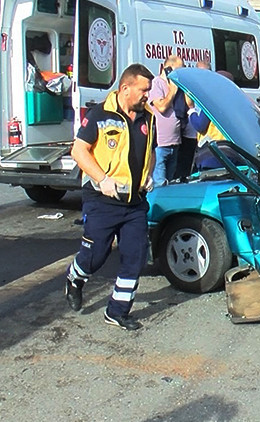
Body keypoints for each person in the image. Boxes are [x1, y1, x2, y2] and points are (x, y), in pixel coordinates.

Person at [64, 64, 157, 331]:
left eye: (149, 90)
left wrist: (148, 174)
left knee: (135, 256)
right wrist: (102, 178)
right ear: (125, 88)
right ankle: (75, 278)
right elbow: (79, 151)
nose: (147, 95)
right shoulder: (100, 114)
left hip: (134, 202)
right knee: (96, 254)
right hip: (102, 199)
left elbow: (150, 151)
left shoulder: (148, 117)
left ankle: (117, 311)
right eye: (143, 90)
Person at [149, 55, 184, 186]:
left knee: (170, 184)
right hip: (161, 143)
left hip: (174, 142)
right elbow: (162, 107)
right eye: (178, 70)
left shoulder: (176, 85)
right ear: (168, 68)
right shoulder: (156, 84)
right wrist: (172, 91)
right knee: (160, 184)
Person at [174, 59, 211, 179]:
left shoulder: (208, 94)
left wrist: (190, 110)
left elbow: (200, 125)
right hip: (199, 141)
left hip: (210, 146)